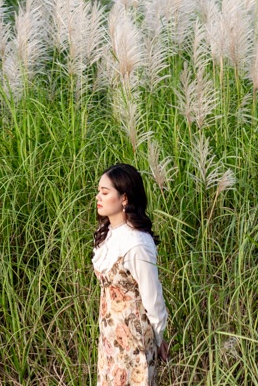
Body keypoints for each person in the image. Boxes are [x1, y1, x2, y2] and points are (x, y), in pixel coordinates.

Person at [92, 163, 169, 385]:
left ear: (124, 198)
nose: (98, 196)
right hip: (109, 338)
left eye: (105, 192)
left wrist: (158, 337)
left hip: (134, 340)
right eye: (99, 191)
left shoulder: (137, 243)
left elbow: (153, 297)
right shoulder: (105, 234)